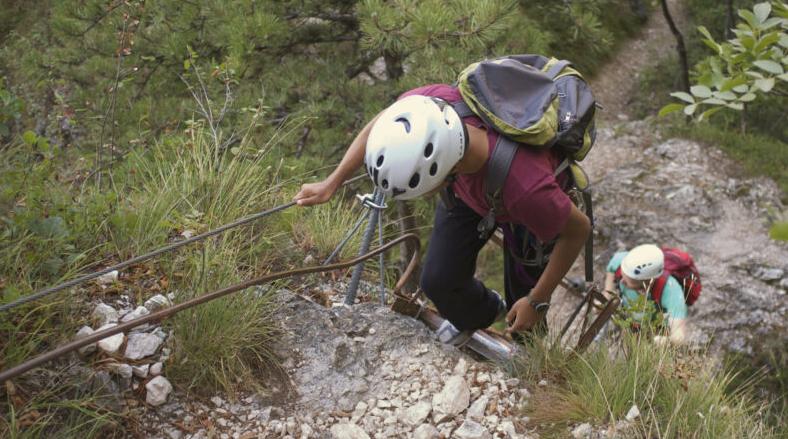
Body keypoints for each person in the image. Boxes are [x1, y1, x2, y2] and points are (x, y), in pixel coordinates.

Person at [295, 83, 591, 345]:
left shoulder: (528, 187)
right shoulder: (428, 107)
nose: (425, 196)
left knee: (525, 304)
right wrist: (333, 181)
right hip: (471, 191)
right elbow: (384, 123)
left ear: (453, 168)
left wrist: (537, 301)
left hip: (521, 206)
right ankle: (486, 311)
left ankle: (529, 353)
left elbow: (577, 231)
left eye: (426, 188)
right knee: (438, 281)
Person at [603, 244, 689, 344]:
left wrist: (666, 341)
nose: (621, 282)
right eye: (622, 276)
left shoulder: (671, 291)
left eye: (628, 282)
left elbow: (680, 336)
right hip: (630, 318)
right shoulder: (619, 261)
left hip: (656, 327)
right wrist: (605, 299)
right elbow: (609, 281)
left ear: (648, 281)